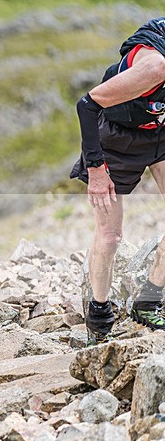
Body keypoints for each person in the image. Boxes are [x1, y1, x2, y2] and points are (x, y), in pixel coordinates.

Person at [71, 17, 165, 345]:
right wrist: (95, 170)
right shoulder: (154, 67)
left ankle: (148, 302)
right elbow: (87, 106)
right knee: (110, 237)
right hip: (117, 138)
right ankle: (98, 316)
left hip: (160, 133)